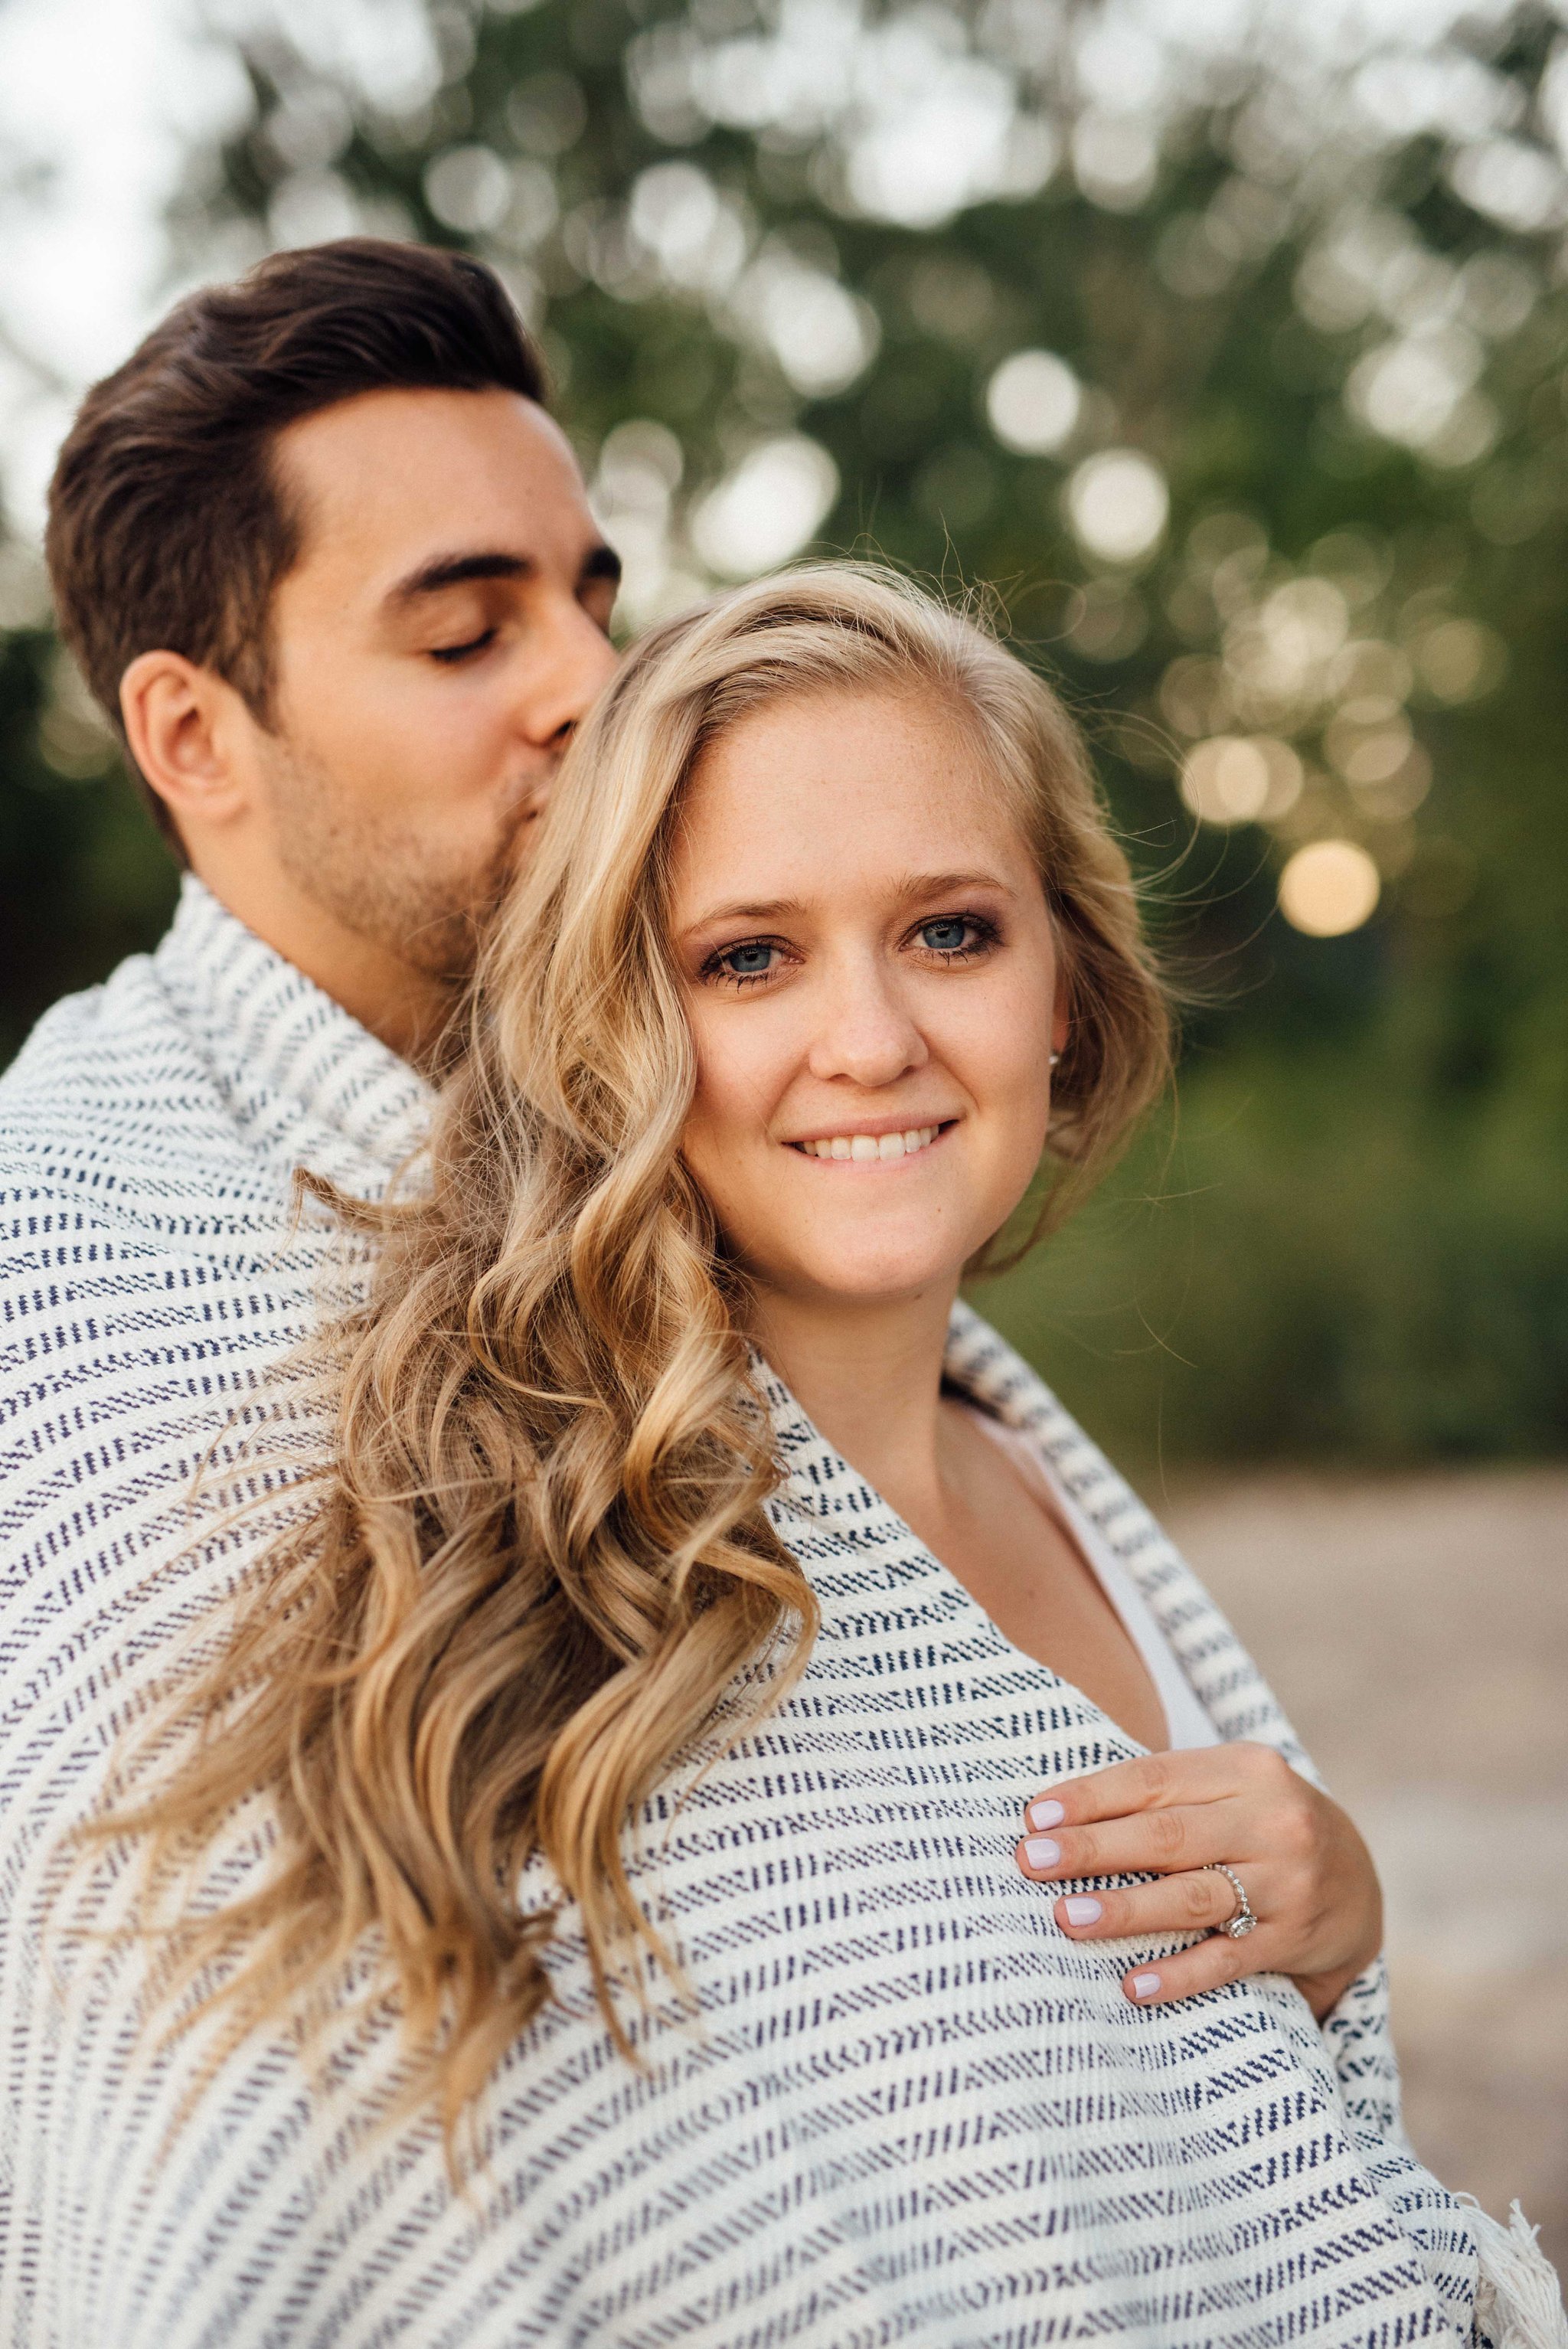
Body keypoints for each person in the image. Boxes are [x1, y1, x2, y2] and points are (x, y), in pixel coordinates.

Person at [12, 567, 1558, 2344]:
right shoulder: (517, 1593)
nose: (872, 1040)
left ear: (1060, 984)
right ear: (620, 1033)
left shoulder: (1038, 1470)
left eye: (952, 932)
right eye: (746, 957)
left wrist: (1335, 1925)